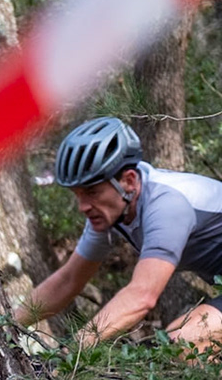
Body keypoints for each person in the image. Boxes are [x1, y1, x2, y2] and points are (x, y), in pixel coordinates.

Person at [15, 116, 222, 349]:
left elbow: (141, 296)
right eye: (77, 194)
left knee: (184, 342)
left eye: (91, 192)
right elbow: (68, 280)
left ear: (128, 181)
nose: (82, 206)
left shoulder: (166, 206)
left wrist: (69, 355)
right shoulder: (113, 210)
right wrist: (7, 326)